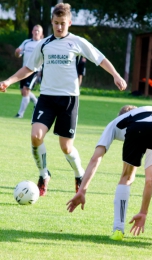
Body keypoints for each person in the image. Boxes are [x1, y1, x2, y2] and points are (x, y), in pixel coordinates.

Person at [0, 3, 127, 197]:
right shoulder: (44, 44)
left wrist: (116, 75)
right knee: (36, 136)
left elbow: (99, 58)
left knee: (66, 147)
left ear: (70, 22)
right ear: (52, 22)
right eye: (56, 23)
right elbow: (29, 67)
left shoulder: (77, 42)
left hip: (69, 100)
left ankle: (78, 174)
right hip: (47, 98)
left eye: (63, 23)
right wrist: (9, 81)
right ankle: (44, 175)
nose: (59, 27)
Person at [67, 105, 152, 240]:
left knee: (126, 177)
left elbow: (95, 158)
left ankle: (118, 229)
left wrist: (82, 190)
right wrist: (143, 212)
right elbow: (149, 180)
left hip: (136, 128)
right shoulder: (149, 113)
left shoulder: (116, 122)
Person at [14, 24, 43, 118]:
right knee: (23, 91)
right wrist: (17, 52)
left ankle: (20, 114)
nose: (36, 32)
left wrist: (41, 72)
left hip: (35, 71)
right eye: (35, 30)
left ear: (41, 33)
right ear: (32, 31)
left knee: (26, 89)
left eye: (38, 31)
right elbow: (18, 54)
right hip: (24, 70)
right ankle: (36, 102)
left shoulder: (42, 43)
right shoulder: (26, 42)